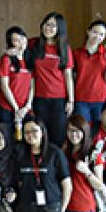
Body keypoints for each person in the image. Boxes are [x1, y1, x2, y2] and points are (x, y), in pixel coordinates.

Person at [28, 12, 74, 147]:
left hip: (59, 99)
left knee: (58, 135)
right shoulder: (33, 44)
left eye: (53, 25)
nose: (48, 28)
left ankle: (55, 165)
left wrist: (71, 100)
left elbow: (68, 76)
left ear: (60, 28)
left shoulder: (64, 48)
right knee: (41, 135)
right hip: (39, 97)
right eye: (46, 24)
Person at [73, 20, 106, 124]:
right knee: (83, 130)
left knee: (100, 131)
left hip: (102, 99)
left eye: (102, 34)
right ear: (88, 32)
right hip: (81, 99)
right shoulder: (76, 53)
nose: (98, 36)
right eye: (95, 32)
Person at [0, 26, 34, 126]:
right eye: (16, 40)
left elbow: (32, 86)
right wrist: (16, 108)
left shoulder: (30, 58)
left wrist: (28, 105)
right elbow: (4, 86)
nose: (20, 42)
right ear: (11, 43)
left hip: (25, 108)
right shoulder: (7, 59)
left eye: (22, 37)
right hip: (7, 107)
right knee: (7, 136)